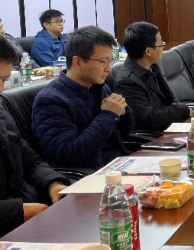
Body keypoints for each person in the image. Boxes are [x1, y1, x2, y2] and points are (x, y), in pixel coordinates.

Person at [0, 34, 68, 239]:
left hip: (28, 218)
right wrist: (18, 211)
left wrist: (53, 184)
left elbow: (29, 160)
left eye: (3, 80)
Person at [32, 26, 134, 171]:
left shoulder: (99, 87)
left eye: (109, 62)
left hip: (119, 163)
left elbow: (122, 134)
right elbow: (69, 154)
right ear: (78, 62)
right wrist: (109, 115)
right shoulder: (50, 100)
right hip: (90, 173)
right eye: (102, 62)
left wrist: (123, 112)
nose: (108, 69)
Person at [113, 22, 194, 134]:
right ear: (148, 51)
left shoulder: (152, 67)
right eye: (161, 44)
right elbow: (149, 119)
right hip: (154, 136)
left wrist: (181, 110)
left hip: (170, 126)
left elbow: (170, 100)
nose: (163, 47)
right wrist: (182, 110)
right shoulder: (126, 81)